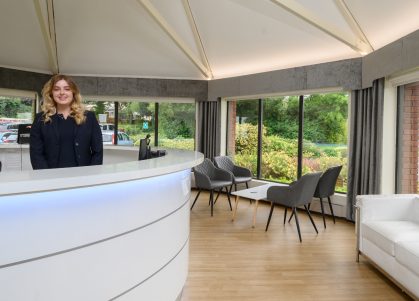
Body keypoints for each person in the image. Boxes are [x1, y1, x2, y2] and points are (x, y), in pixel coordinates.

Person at [30, 74, 103, 169]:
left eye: (67, 89)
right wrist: (46, 178)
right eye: (56, 89)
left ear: (73, 92)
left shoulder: (89, 117)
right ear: (51, 93)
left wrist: (91, 175)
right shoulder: (40, 119)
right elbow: (36, 154)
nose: (62, 92)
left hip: (83, 177)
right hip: (51, 177)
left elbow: (98, 151)